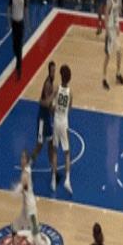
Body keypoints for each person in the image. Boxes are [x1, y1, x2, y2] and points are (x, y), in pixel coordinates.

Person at [10, 150, 62, 245]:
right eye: (21, 157)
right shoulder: (26, 169)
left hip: (31, 212)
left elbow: (24, 184)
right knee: (14, 228)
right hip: (25, 209)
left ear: (26, 160)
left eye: (23, 158)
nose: (21, 160)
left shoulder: (25, 173)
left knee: (37, 241)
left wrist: (15, 190)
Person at [51, 65, 73, 193]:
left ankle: (53, 180)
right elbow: (70, 108)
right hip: (64, 122)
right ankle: (67, 180)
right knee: (67, 152)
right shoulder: (70, 93)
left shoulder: (56, 89)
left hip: (56, 120)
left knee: (54, 151)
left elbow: (51, 105)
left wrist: (55, 109)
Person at [31, 61, 56, 165]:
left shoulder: (51, 83)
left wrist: (53, 112)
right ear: (49, 71)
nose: (54, 73)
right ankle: (29, 164)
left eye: (54, 70)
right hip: (42, 119)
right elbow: (45, 103)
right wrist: (53, 95)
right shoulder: (47, 84)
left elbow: (49, 105)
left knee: (50, 143)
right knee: (40, 145)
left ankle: (53, 168)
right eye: (52, 71)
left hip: (47, 119)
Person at [102, 0, 123, 90]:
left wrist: (118, 26)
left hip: (114, 30)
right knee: (108, 56)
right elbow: (106, 15)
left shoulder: (117, 1)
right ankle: (104, 78)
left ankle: (118, 74)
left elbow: (116, 16)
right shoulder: (110, 2)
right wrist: (107, 30)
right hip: (110, 31)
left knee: (119, 52)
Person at [8, 0, 26, 81]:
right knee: (14, 46)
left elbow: (26, 9)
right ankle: (18, 62)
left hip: (20, 23)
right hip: (14, 23)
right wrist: (8, 22)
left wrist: (27, 23)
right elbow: (9, 9)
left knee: (19, 46)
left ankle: (19, 68)